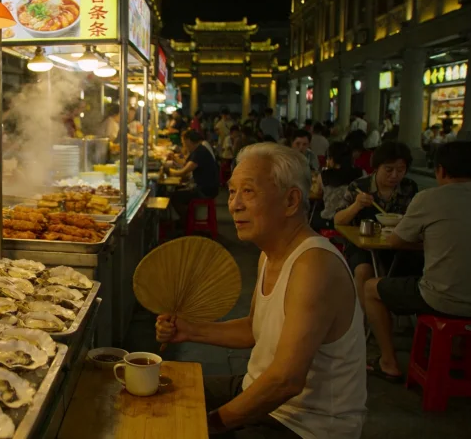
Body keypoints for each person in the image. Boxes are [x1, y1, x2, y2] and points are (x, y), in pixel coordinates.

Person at [157, 142, 366, 438]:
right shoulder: (269, 253)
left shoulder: (314, 265)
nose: (234, 204)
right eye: (232, 192)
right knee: (157, 389)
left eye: (248, 191)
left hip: (304, 424)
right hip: (259, 390)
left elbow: (286, 380)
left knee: (178, 427)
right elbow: (254, 329)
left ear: (291, 201)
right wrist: (190, 330)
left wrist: (211, 424)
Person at [366, 141, 471, 381]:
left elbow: (395, 241)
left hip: (441, 299)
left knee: (370, 288)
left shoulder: (429, 198)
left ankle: (388, 362)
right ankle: (458, 353)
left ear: (440, 170)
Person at [333, 141, 419, 310]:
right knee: (363, 271)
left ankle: (396, 315)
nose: (394, 175)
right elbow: (338, 220)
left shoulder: (409, 187)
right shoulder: (359, 186)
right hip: (362, 245)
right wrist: (357, 205)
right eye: (388, 169)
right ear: (376, 167)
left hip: (399, 245)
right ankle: (365, 317)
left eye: (400, 170)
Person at [166, 130, 219, 228]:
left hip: (205, 190)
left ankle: (185, 222)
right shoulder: (199, 149)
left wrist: (168, 171)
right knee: (177, 190)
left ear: (189, 141)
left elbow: (184, 172)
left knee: (174, 197)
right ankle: (184, 220)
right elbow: (186, 164)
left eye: (184, 143)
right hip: (206, 187)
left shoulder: (200, 152)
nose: (184, 145)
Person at [311, 142, 364, 230]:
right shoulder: (361, 173)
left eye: (328, 158)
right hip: (353, 221)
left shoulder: (324, 175)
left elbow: (318, 192)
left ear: (332, 159)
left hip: (329, 221)